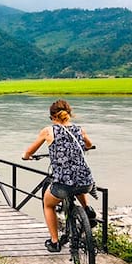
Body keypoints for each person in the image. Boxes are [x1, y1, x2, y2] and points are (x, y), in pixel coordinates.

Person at [22, 99, 97, 253]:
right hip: (87, 182)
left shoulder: (48, 131)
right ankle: (87, 209)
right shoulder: (79, 129)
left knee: (48, 204)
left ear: (52, 117)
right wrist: (86, 146)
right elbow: (89, 145)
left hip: (63, 183)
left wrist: (27, 156)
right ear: (69, 114)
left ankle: (55, 242)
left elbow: (29, 152)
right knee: (78, 182)